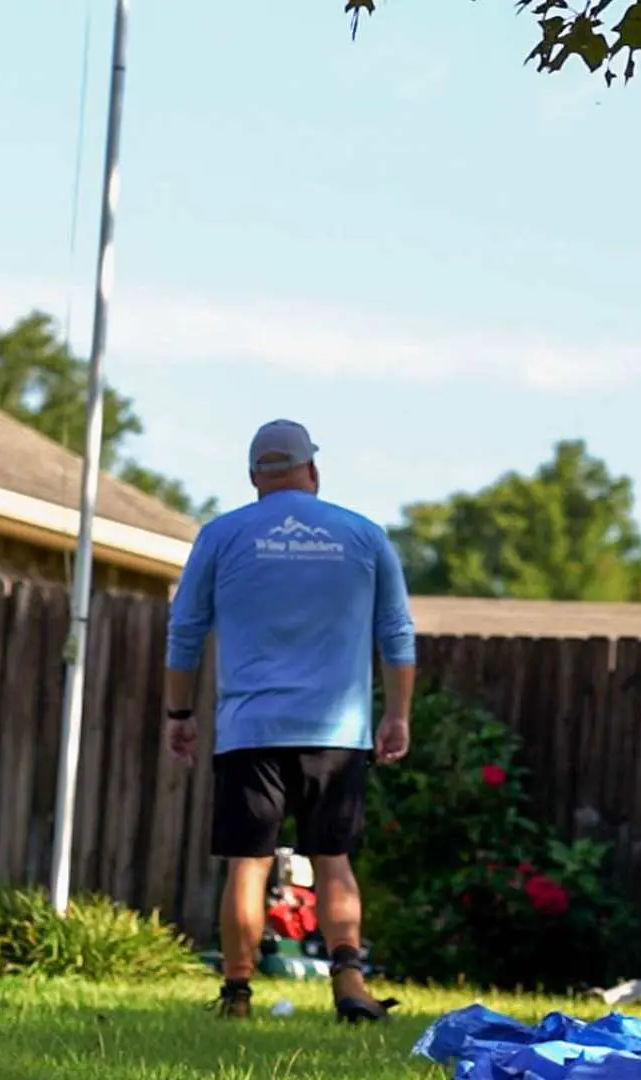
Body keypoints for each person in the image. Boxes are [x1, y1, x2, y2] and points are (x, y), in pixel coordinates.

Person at [161, 419, 417, 1023]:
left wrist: (180, 711)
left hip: (251, 729)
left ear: (254, 477)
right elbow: (396, 632)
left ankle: (238, 996)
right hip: (337, 731)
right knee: (333, 859)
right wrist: (398, 713)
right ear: (312, 471)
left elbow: (186, 630)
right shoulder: (363, 535)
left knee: (249, 863)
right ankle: (349, 985)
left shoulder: (221, 536)